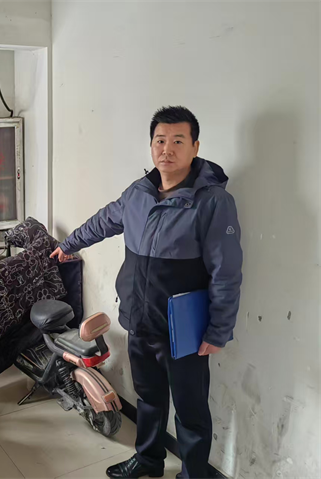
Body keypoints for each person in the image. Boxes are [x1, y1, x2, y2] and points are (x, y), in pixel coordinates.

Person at [51, 106, 243, 479]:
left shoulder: (213, 202)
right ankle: (149, 459)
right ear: (151, 145)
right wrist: (69, 244)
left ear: (195, 147)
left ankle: (194, 474)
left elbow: (227, 272)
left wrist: (218, 330)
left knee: (190, 410)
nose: (166, 149)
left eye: (178, 141)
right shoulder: (138, 193)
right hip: (140, 319)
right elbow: (104, 220)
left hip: (183, 330)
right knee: (149, 398)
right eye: (160, 140)